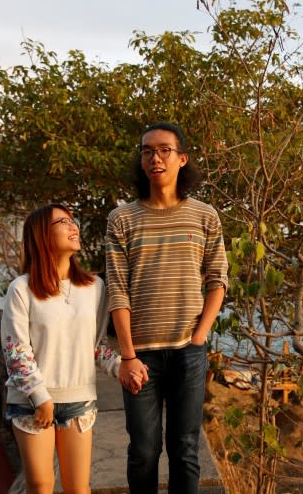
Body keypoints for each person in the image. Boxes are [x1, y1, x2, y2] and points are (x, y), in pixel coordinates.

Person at [105, 122, 228, 493]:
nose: (154, 157)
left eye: (163, 150)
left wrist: (199, 336)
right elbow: (117, 290)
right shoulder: (122, 219)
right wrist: (127, 356)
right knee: (143, 450)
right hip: (139, 354)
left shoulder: (204, 216)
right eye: (146, 151)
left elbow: (218, 280)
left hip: (187, 353)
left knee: (185, 447)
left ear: (181, 159)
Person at [1, 204, 108, 494]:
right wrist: (40, 396)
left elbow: (96, 346)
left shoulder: (96, 287)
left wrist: (123, 365)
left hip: (78, 400)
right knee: (40, 484)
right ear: (41, 236)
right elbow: (16, 351)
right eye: (63, 222)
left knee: (78, 488)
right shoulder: (21, 289)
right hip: (30, 402)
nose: (74, 227)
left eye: (74, 220)